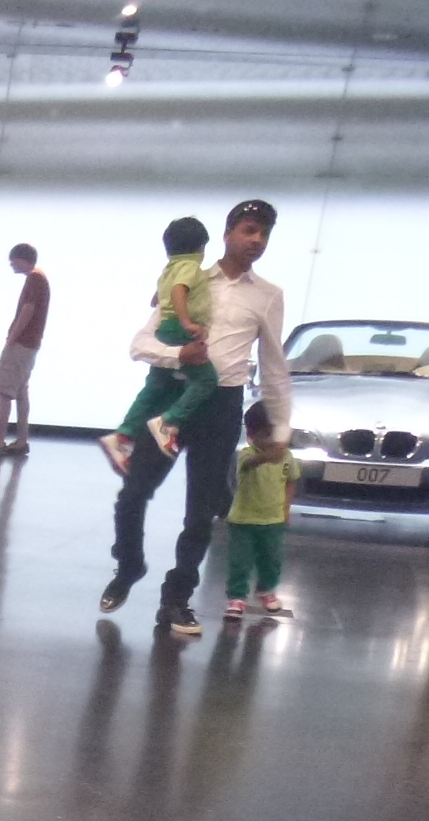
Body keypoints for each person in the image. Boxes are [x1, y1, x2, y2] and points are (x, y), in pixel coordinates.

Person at [104, 200, 292, 639]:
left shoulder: (268, 296)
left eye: (264, 234)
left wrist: (281, 428)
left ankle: (177, 597)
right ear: (227, 233)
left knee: (201, 511)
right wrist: (178, 354)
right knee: (133, 494)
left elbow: (274, 365)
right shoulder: (187, 278)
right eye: (249, 230)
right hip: (173, 397)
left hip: (222, 404)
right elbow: (140, 343)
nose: (257, 240)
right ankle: (128, 565)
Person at [100, 217, 218, 474]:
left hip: (165, 329)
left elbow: (161, 294)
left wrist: (158, 301)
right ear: (200, 248)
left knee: (154, 386)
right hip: (179, 330)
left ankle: (123, 435)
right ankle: (168, 423)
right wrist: (187, 321)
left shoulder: (168, 269)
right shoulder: (191, 267)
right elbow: (178, 291)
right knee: (207, 379)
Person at [224, 402, 299, 619]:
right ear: (251, 435)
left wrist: (286, 508)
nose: (272, 440)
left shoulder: (287, 457)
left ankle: (266, 589)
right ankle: (237, 596)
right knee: (240, 561)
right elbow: (250, 464)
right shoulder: (246, 455)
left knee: (272, 559)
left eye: (276, 434)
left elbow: (291, 480)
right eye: (266, 435)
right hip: (243, 521)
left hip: (273, 520)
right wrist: (269, 455)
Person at [0, 245, 49, 456]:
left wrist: (12, 336)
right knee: (20, 391)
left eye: (14, 260)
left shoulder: (35, 278)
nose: (11, 264)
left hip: (22, 343)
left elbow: (28, 309)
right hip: (30, 344)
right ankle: (21, 440)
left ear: (22, 259)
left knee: (4, 390)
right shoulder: (40, 278)